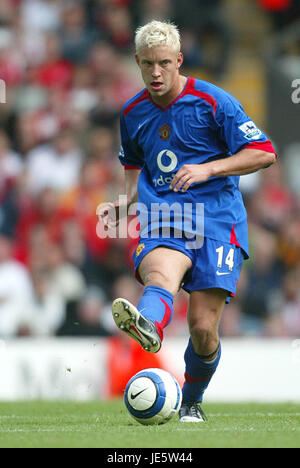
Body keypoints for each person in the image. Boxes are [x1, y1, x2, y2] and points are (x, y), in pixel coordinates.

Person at [97, 20, 276, 423]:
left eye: (163, 63)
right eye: (147, 65)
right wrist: (122, 206)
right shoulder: (131, 114)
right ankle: (150, 324)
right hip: (166, 217)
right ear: (137, 63)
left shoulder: (215, 102)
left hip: (218, 221)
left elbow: (263, 152)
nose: (156, 73)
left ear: (179, 60)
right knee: (161, 273)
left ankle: (191, 400)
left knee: (202, 327)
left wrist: (208, 169)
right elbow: (132, 175)